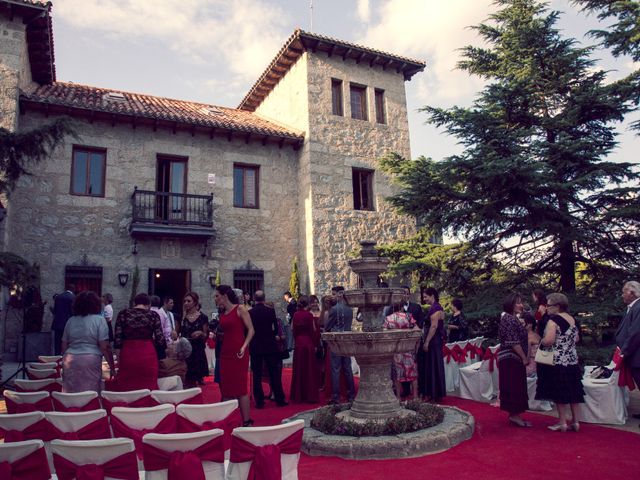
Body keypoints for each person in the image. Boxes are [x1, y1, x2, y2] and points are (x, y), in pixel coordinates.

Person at [535, 293, 585, 432]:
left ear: (557, 306)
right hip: (572, 360)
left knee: (560, 391)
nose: (547, 308)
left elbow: (549, 340)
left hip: (557, 361)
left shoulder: (553, 321)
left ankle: (562, 422)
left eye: (549, 305)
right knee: (574, 391)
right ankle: (576, 422)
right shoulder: (572, 319)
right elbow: (576, 339)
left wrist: (541, 341)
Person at [216, 284, 255, 426]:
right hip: (225, 351)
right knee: (226, 387)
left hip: (239, 352)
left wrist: (244, 346)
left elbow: (251, 330)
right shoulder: (222, 312)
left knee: (240, 387)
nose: (215, 299)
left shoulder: (240, 309)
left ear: (224, 296)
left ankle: (246, 420)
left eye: (217, 296)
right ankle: (228, 421)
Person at [61, 291, 115, 393]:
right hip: (91, 359)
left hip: (70, 359)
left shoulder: (70, 321)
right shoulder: (99, 320)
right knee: (91, 394)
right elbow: (105, 347)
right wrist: (111, 367)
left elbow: (64, 345)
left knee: (71, 394)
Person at [113, 293, 166, 391]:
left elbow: (117, 340)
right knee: (148, 388)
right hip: (148, 354)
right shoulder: (153, 315)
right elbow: (160, 340)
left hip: (128, 354)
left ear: (134, 303)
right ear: (149, 304)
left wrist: (119, 361)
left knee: (127, 388)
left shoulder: (123, 314)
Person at [249, 290, 288, 408]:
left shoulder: (250, 312)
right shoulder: (270, 311)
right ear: (264, 299)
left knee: (256, 374)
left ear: (254, 299)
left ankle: (259, 401)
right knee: (274, 373)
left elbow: (248, 330)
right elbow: (275, 329)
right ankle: (279, 399)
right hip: (269, 345)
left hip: (256, 345)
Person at [497, 292, 531, 427]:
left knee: (516, 386)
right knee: (514, 386)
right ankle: (515, 416)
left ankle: (514, 415)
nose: (521, 305)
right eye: (518, 302)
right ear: (510, 304)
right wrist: (523, 357)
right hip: (511, 359)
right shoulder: (509, 319)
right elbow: (513, 342)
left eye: (521, 302)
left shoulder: (512, 318)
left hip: (513, 358)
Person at [325, 286, 355, 404]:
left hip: (337, 343)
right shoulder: (350, 309)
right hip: (347, 342)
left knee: (336, 369)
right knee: (347, 369)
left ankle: (336, 397)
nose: (332, 296)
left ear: (340, 295)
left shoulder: (334, 309)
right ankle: (351, 395)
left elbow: (327, 327)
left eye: (333, 294)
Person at [383, 302, 419, 399]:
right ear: (402, 307)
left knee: (397, 375)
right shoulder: (408, 316)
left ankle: (398, 397)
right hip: (408, 348)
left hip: (396, 350)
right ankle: (415, 397)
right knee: (413, 374)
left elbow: (384, 334)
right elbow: (417, 331)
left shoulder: (388, 319)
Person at [418, 287, 446, 402]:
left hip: (433, 341)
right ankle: (435, 394)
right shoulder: (437, 307)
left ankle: (433, 395)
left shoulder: (435, 308)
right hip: (437, 340)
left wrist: (427, 342)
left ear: (432, 296)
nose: (424, 299)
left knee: (433, 366)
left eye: (426, 297)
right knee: (434, 366)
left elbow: (433, 327)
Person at [290, 296, 320, 403]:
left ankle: (298, 395)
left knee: (299, 369)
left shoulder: (295, 314)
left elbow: (292, 328)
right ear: (308, 304)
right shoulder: (309, 315)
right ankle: (309, 395)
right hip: (308, 343)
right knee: (309, 369)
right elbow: (314, 330)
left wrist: (297, 337)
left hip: (299, 343)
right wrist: (315, 343)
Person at [181, 292, 209, 387]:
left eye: (189, 301)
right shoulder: (183, 317)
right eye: (185, 301)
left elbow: (206, 335)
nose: (186, 303)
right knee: (187, 379)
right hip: (185, 350)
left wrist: (200, 333)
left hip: (197, 349)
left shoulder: (203, 317)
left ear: (195, 302)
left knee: (195, 378)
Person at [616, 281, 640, 394]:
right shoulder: (634, 307)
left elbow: (635, 333)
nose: (622, 295)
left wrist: (624, 352)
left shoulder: (638, 307)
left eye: (623, 292)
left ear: (631, 292)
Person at [52, 285, 75, 355]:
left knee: (57, 342)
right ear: (73, 290)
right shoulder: (72, 297)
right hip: (67, 323)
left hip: (57, 323)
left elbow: (55, 310)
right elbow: (72, 312)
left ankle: (57, 357)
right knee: (67, 342)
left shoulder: (58, 297)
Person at [523, 313, 540, 377]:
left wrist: (525, 363)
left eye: (523, 323)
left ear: (530, 324)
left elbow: (528, 353)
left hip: (530, 364)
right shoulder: (538, 335)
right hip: (539, 363)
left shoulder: (528, 337)